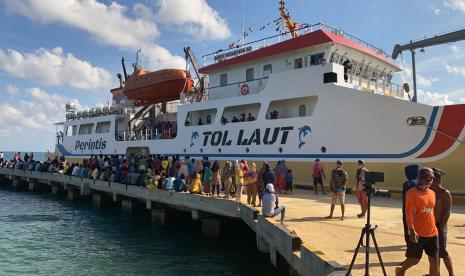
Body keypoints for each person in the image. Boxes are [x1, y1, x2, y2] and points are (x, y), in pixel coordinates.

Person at [396, 168, 439, 276]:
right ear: (420, 178)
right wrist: (411, 230)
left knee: (434, 260)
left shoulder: (432, 193)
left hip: (432, 233)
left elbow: (431, 212)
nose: (429, 181)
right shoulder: (411, 193)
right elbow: (408, 212)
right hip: (417, 234)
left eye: (431, 179)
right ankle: (400, 270)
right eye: (427, 178)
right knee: (414, 260)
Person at [431, 168, 454, 276]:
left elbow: (447, 212)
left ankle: (451, 273)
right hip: (430, 226)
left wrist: (440, 228)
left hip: (440, 226)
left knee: (442, 252)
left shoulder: (444, 193)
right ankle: (436, 273)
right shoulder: (428, 191)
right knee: (433, 254)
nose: (439, 180)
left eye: (439, 178)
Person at [402, 164, 419, 244]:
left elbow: (406, 200)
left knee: (408, 227)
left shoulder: (407, 184)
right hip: (419, 210)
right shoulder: (421, 183)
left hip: (409, 210)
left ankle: (409, 242)